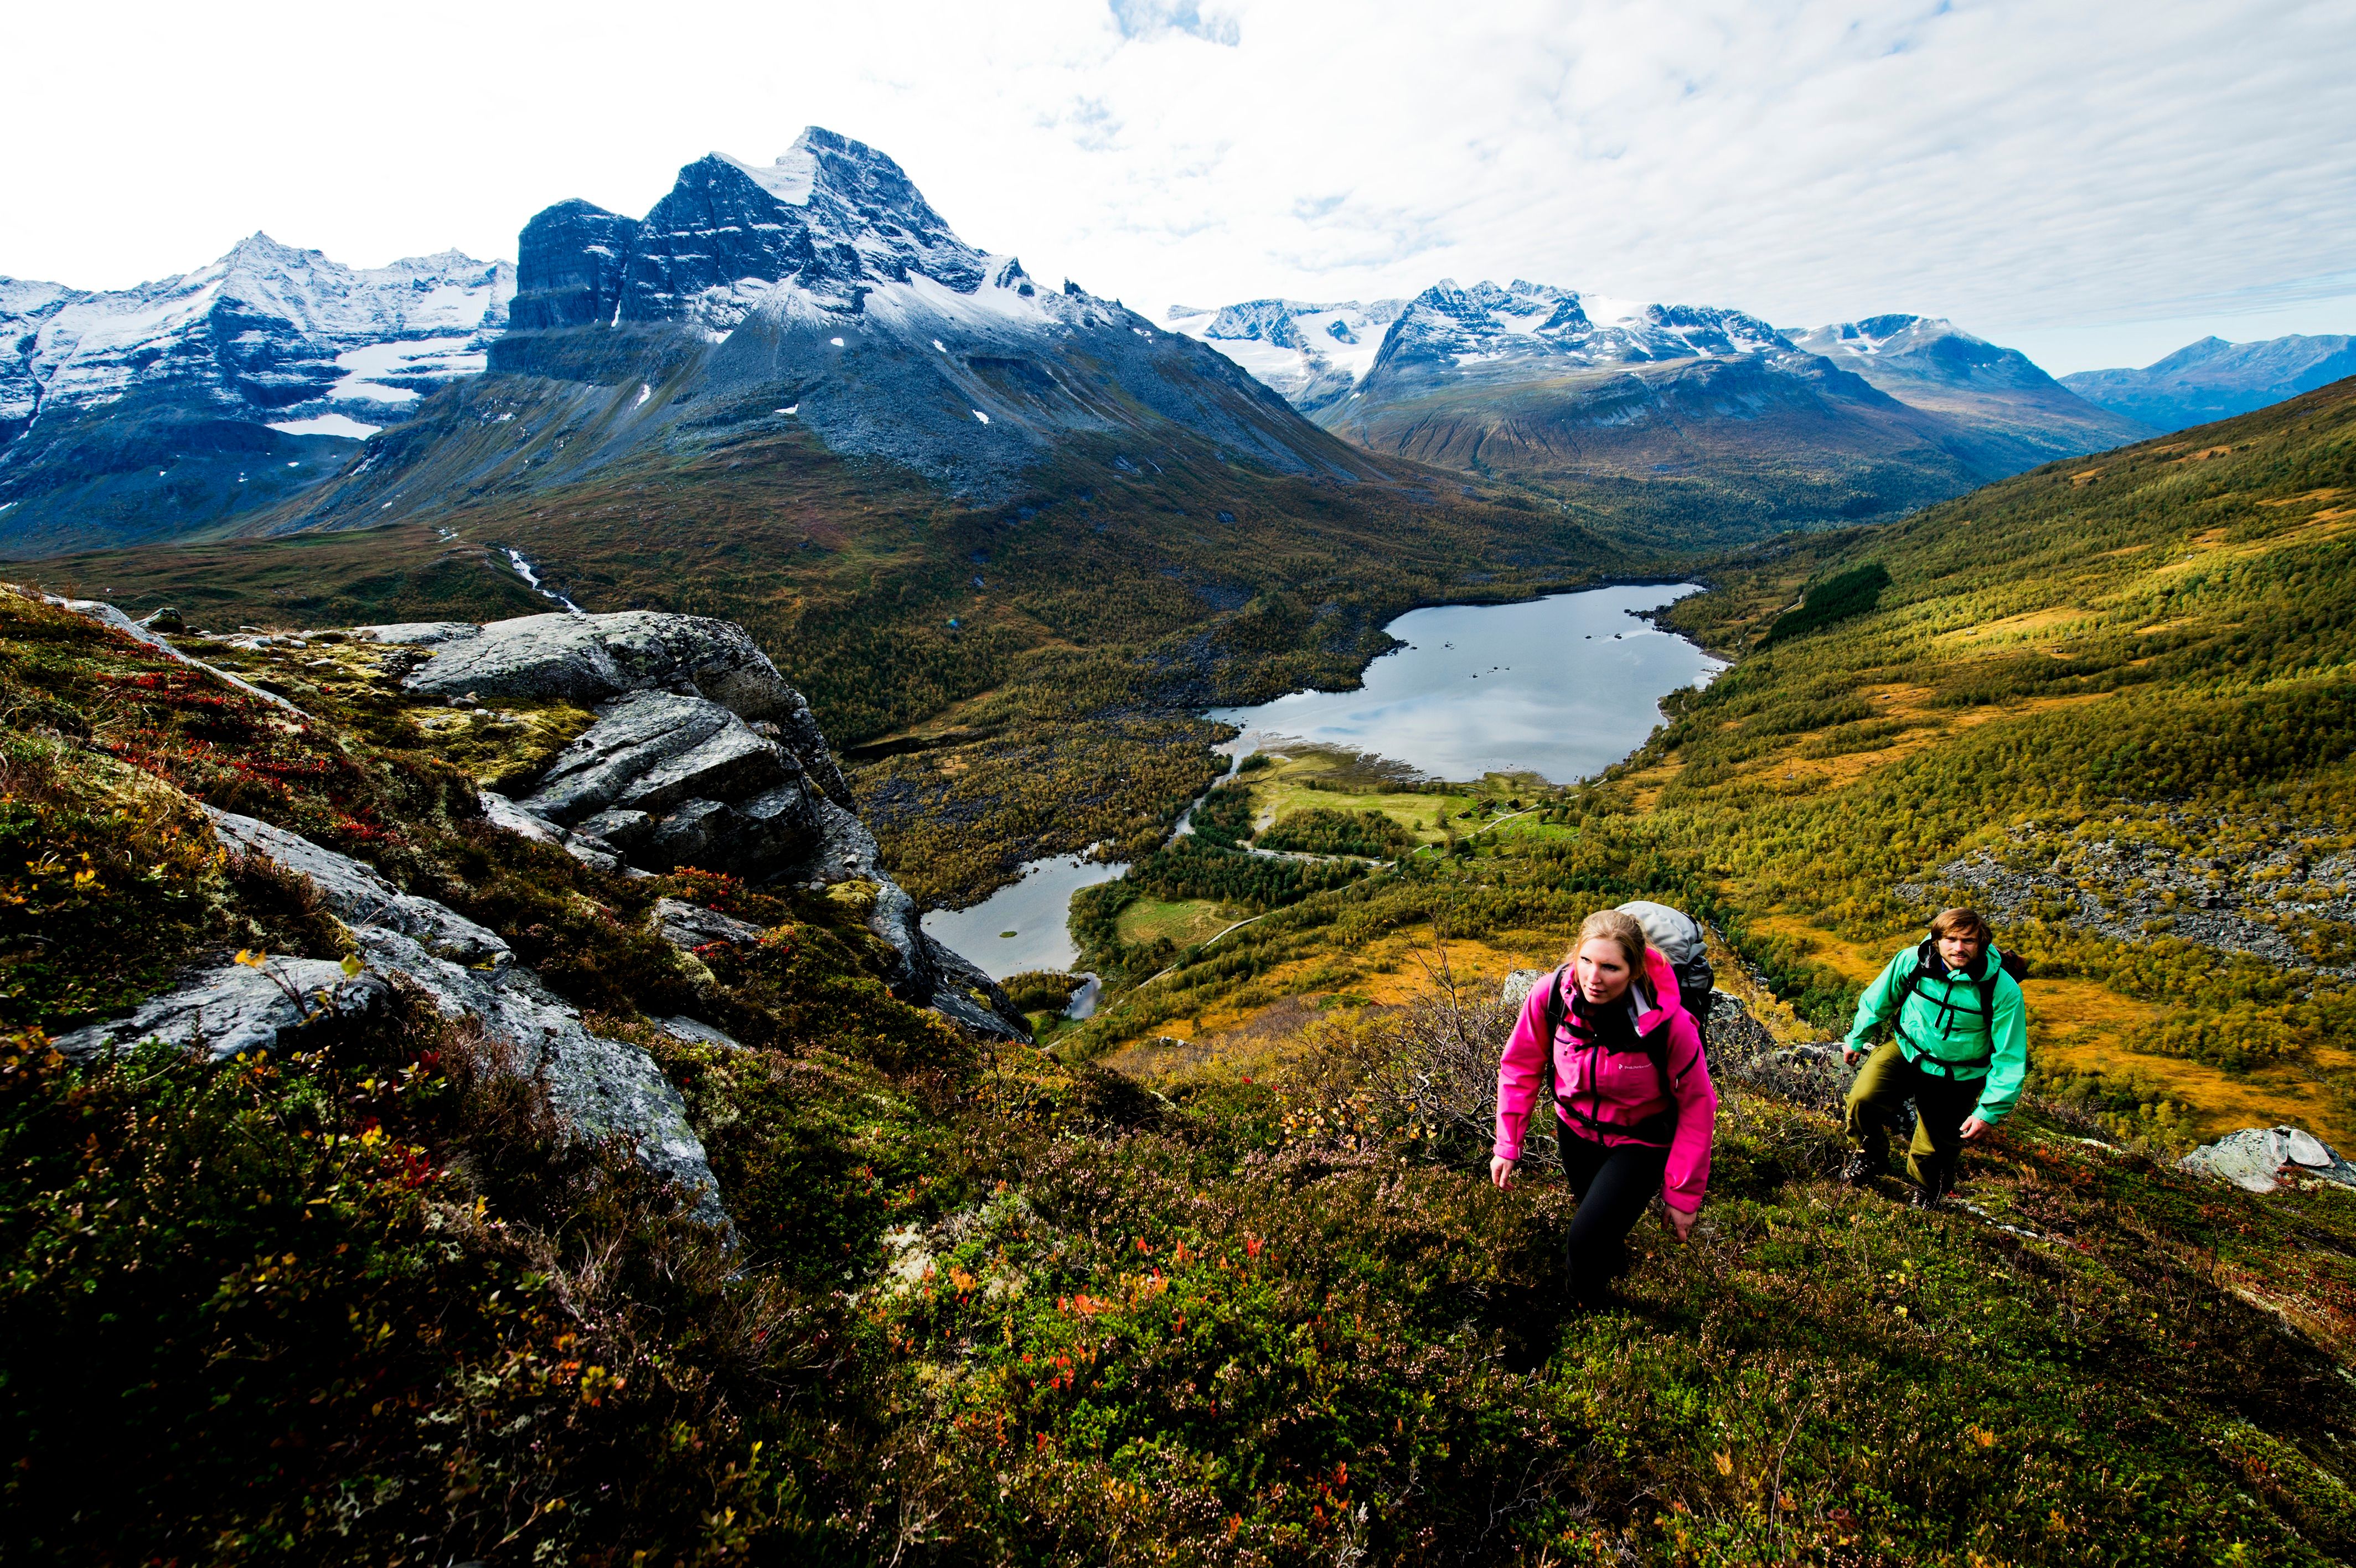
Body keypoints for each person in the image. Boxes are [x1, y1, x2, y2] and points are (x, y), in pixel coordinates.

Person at [1491, 909, 1719, 1310]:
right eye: (1586, 961)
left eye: (1610, 967)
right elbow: (1520, 1066)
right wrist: (1507, 1144)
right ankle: (1613, 1264)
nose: (1593, 978)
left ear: (1634, 971)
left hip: (1641, 1141)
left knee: (1584, 1237)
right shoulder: (1550, 997)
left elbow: (1698, 1105)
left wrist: (1683, 1196)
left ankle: (1585, 1310)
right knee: (1599, 1226)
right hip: (1574, 1132)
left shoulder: (1668, 1024)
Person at [1841, 907, 2027, 1205]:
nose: (1959, 948)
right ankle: (1871, 1156)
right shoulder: (1912, 960)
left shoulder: (2001, 990)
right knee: (1862, 1101)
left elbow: (2010, 1056)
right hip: (1907, 1049)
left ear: (1982, 943)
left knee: (1935, 1144)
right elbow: (1880, 999)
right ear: (1936, 939)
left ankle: (1926, 1190)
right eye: (1951, 939)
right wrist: (1857, 1037)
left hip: (1959, 1073)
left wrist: (1989, 1111)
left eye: (1968, 941)